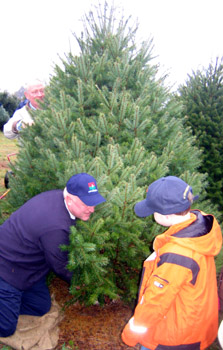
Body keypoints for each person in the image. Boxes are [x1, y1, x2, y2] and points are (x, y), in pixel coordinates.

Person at [121, 176, 222, 350]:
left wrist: (131, 334)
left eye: (153, 210)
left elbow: (156, 301)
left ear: (166, 215)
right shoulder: (199, 228)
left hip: (174, 338)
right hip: (195, 325)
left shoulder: (177, 254)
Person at [0, 172, 106, 337]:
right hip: (7, 270)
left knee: (40, 307)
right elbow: (60, 265)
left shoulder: (57, 197)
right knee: (6, 328)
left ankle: (9, 304)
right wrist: (80, 282)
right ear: (70, 199)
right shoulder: (56, 226)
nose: (92, 209)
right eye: (86, 204)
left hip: (28, 267)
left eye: (93, 203)